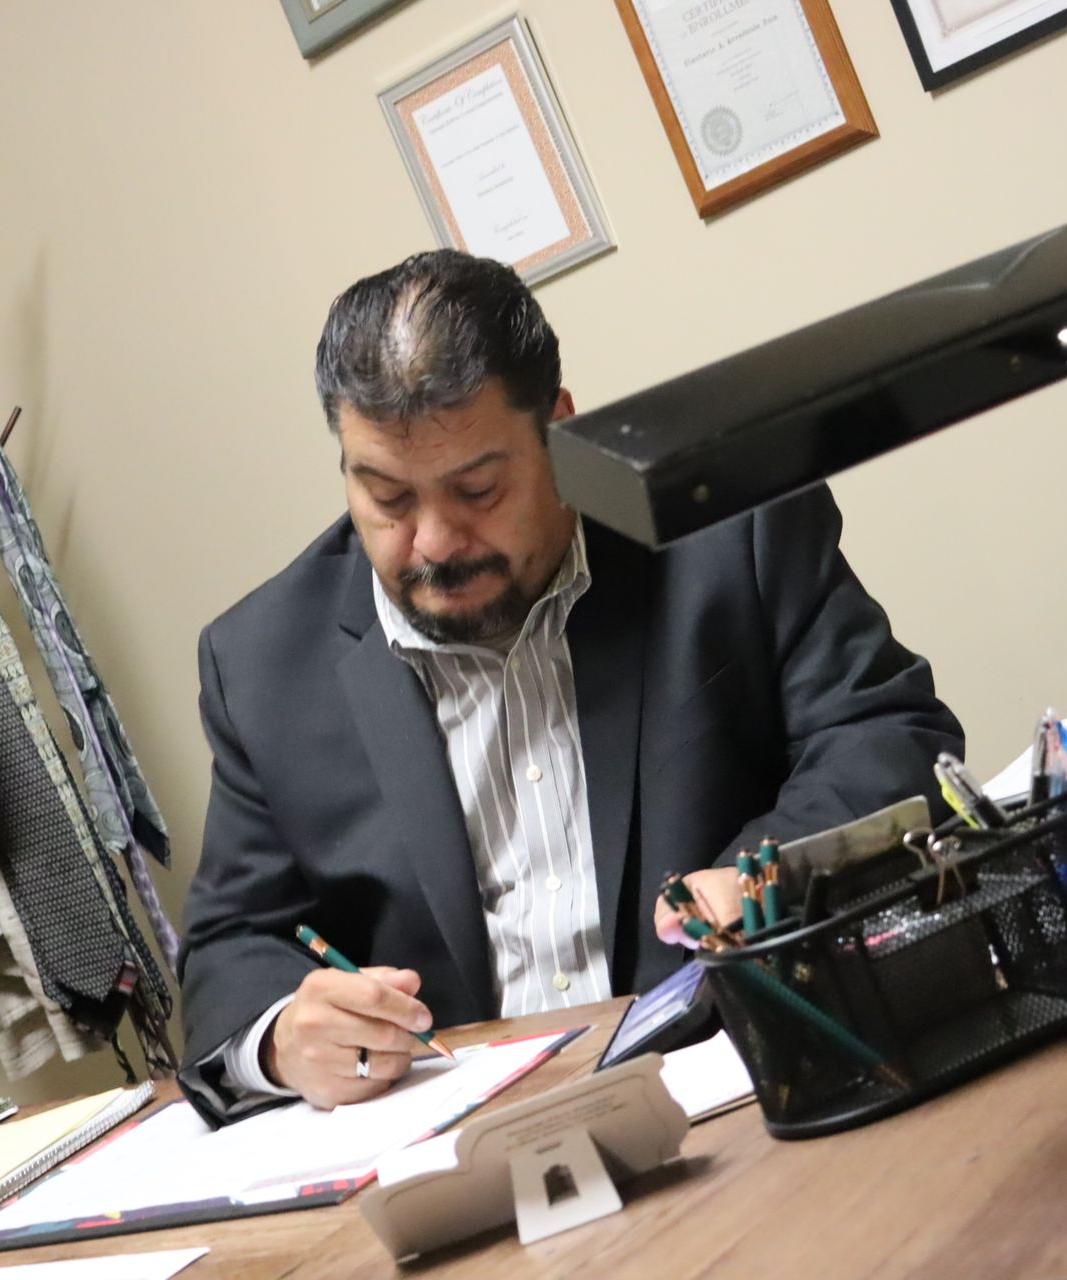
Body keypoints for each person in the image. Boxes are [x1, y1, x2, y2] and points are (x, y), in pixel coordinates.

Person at [176, 250, 963, 1123]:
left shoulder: (730, 527)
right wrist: (287, 1033)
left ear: (559, 428)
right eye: (387, 499)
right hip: (471, 1141)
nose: (433, 542)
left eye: (477, 488)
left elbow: (889, 733)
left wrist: (764, 873)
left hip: (742, 1077)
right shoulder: (261, 666)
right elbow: (229, 945)